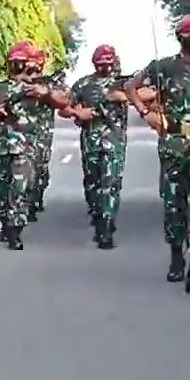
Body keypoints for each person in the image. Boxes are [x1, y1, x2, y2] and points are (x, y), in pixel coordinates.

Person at [124, 14, 190, 293]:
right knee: (174, 205)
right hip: (172, 144)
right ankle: (175, 257)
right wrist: (146, 113)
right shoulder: (163, 68)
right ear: (180, 37)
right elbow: (130, 87)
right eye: (189, 33)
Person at [0, 41, 71, 249]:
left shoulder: (40, 86)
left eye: (21, 61)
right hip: (2, 146)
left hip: (27, 148)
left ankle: (15, 229)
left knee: (20, 188)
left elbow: (64, 101)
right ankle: (5, 223)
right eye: (14, 62)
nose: (17, 66)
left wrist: (44, 94)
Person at [64, 44, 130, 248]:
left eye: (108, 63)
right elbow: (64, 108)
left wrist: (122, 96)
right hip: (91, 140)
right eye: (101, 64)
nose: (105, 67)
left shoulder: (123, 84)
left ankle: (106, 227)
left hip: (114, 140)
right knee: (93, 182)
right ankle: (98, 215)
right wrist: (78, 113)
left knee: (111, 183)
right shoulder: (83, 85)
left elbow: (149, 94)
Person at [24, 47, 58, 221]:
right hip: (21, 135)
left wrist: (47, 94)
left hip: (42, 133)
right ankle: (25, 205)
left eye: (36, 61)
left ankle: (36, 197)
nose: (33, 65)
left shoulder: (48, 83)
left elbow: (64, 99)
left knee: (40, 168)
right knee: (24, 171)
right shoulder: (16, 82)